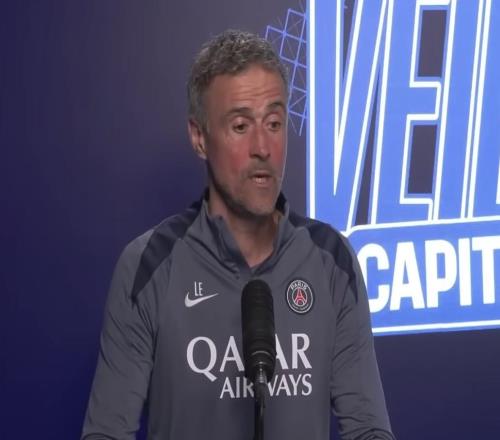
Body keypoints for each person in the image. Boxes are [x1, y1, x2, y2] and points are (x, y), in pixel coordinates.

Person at [82, 29, 395, 440]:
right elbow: (105, 433)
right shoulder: (147, 265)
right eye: (241, 125)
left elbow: (369, 429)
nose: (263, 147)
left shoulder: (331, 259)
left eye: (274, 123)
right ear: (199, 137)